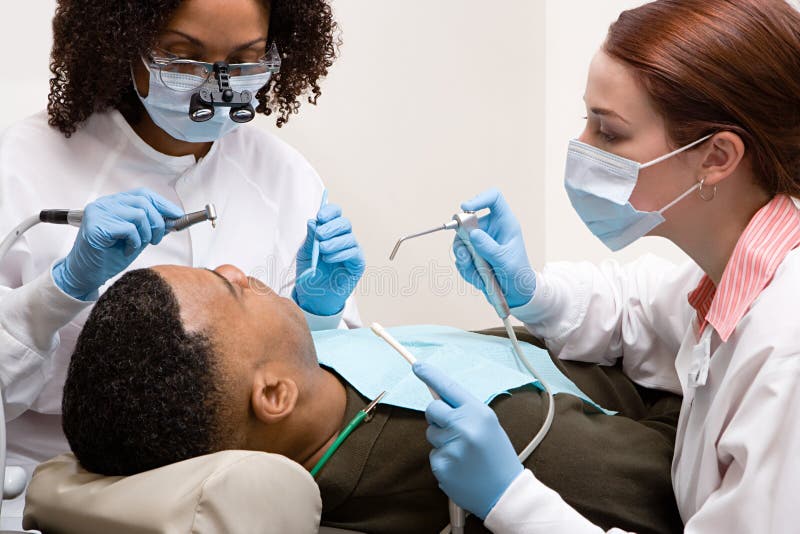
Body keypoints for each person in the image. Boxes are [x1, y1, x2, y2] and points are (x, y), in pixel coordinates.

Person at [411, 0, 800, 532]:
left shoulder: (787, 353)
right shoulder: (738, 270)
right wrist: (532, 292)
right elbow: (638, 309)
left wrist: (513, 500)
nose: (582, 148)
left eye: (609, 132)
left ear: (716, 158)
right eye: (586, 120)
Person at [0, 0, 365, 520]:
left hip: (239, 510)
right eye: (182, 57)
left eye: (245, 61)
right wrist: (58, 291)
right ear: (123, 39)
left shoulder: (283, 178)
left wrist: (321, 316)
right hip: (45, 501)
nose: (215, 87)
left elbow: (317, 404)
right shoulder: (22, 166)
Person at [61, 264, 684, 534]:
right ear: (275, 394)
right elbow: (690, 476)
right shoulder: (518, 447)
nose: (237, 268)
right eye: (234, 293)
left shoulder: (324, 372)